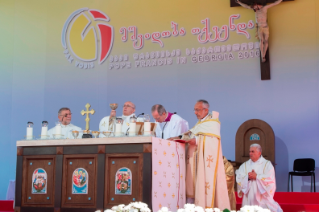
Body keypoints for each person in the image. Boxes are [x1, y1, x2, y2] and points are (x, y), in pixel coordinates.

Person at [169, 100, 230, 209]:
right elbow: (191, 133)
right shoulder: (200, 123)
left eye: (197, 110)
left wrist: (196, 141)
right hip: (195, 161)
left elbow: (211, 143)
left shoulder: (213, 123)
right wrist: (178, 138)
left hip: (205, 164)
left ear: (206, 110)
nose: (195, 112)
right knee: (193, 187)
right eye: (195, 110)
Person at [236, 144, 283, 212]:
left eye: (252, 151)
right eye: (249, 151)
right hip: (249, 196)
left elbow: (270, 178)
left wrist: (257, 176)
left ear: (259, 153)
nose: (250, 153)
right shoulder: (245, 165)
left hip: (262, 196)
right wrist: (248, 177)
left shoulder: (267, 164)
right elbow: (239, 177)